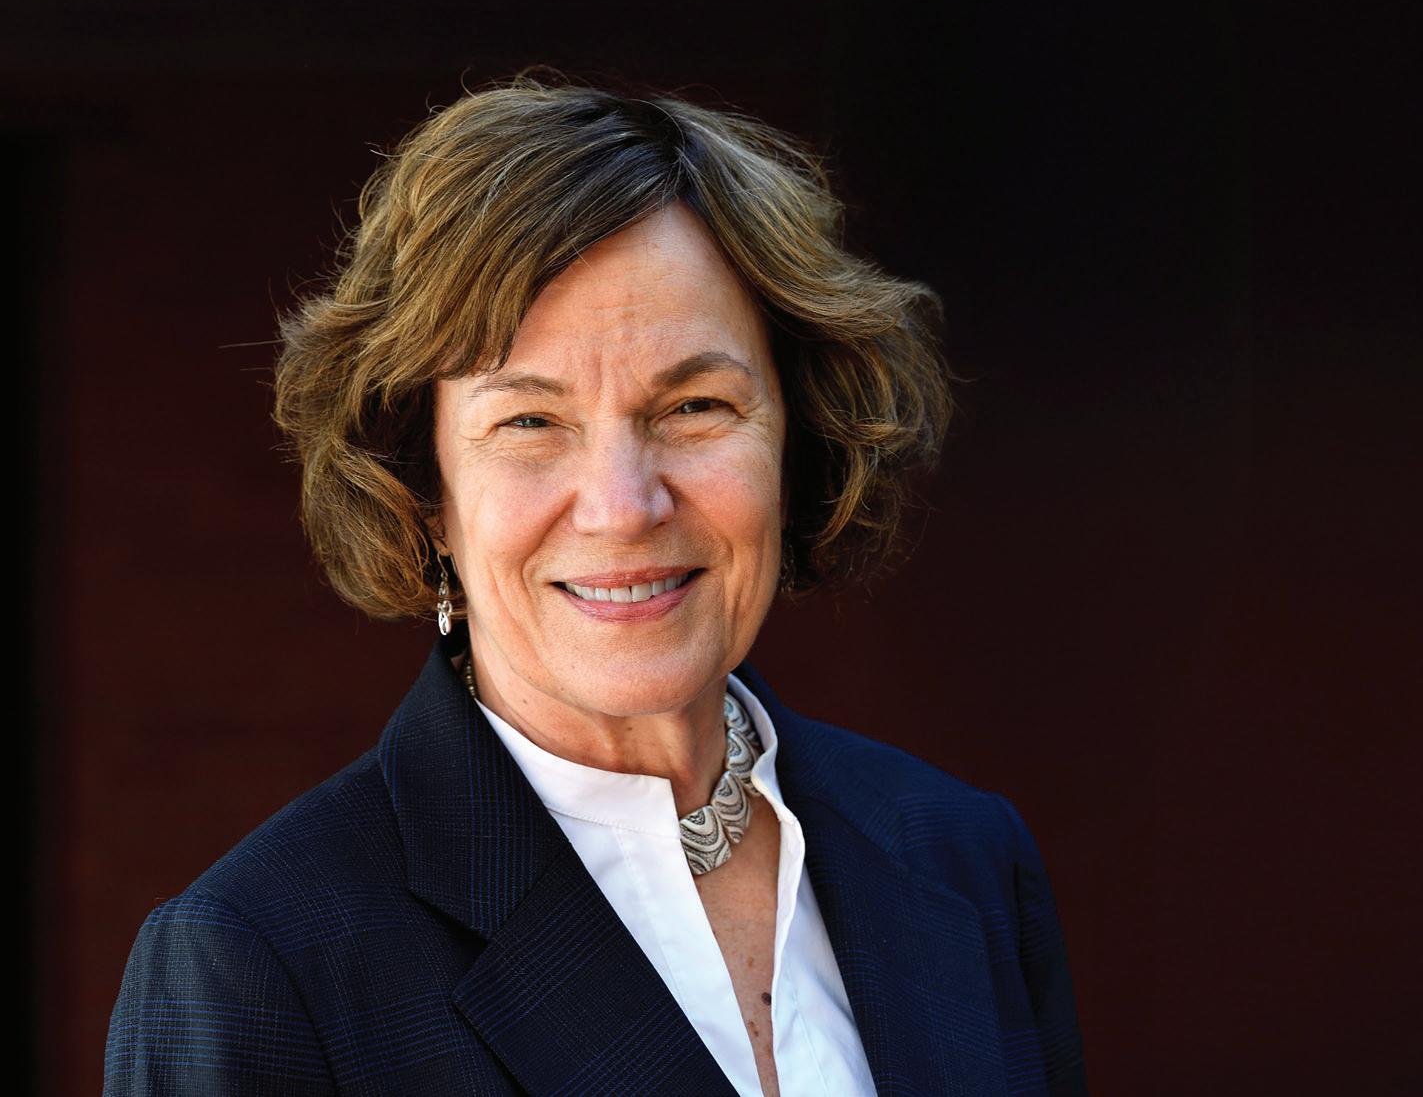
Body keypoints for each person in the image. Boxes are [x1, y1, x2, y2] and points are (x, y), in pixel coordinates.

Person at [103, 76, 1086, 1096]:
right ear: (423, 487)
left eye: (695, 407)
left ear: (798, 441)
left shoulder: (962, 860)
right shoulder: (261, 964)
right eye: (530, 422)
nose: (623, 507)